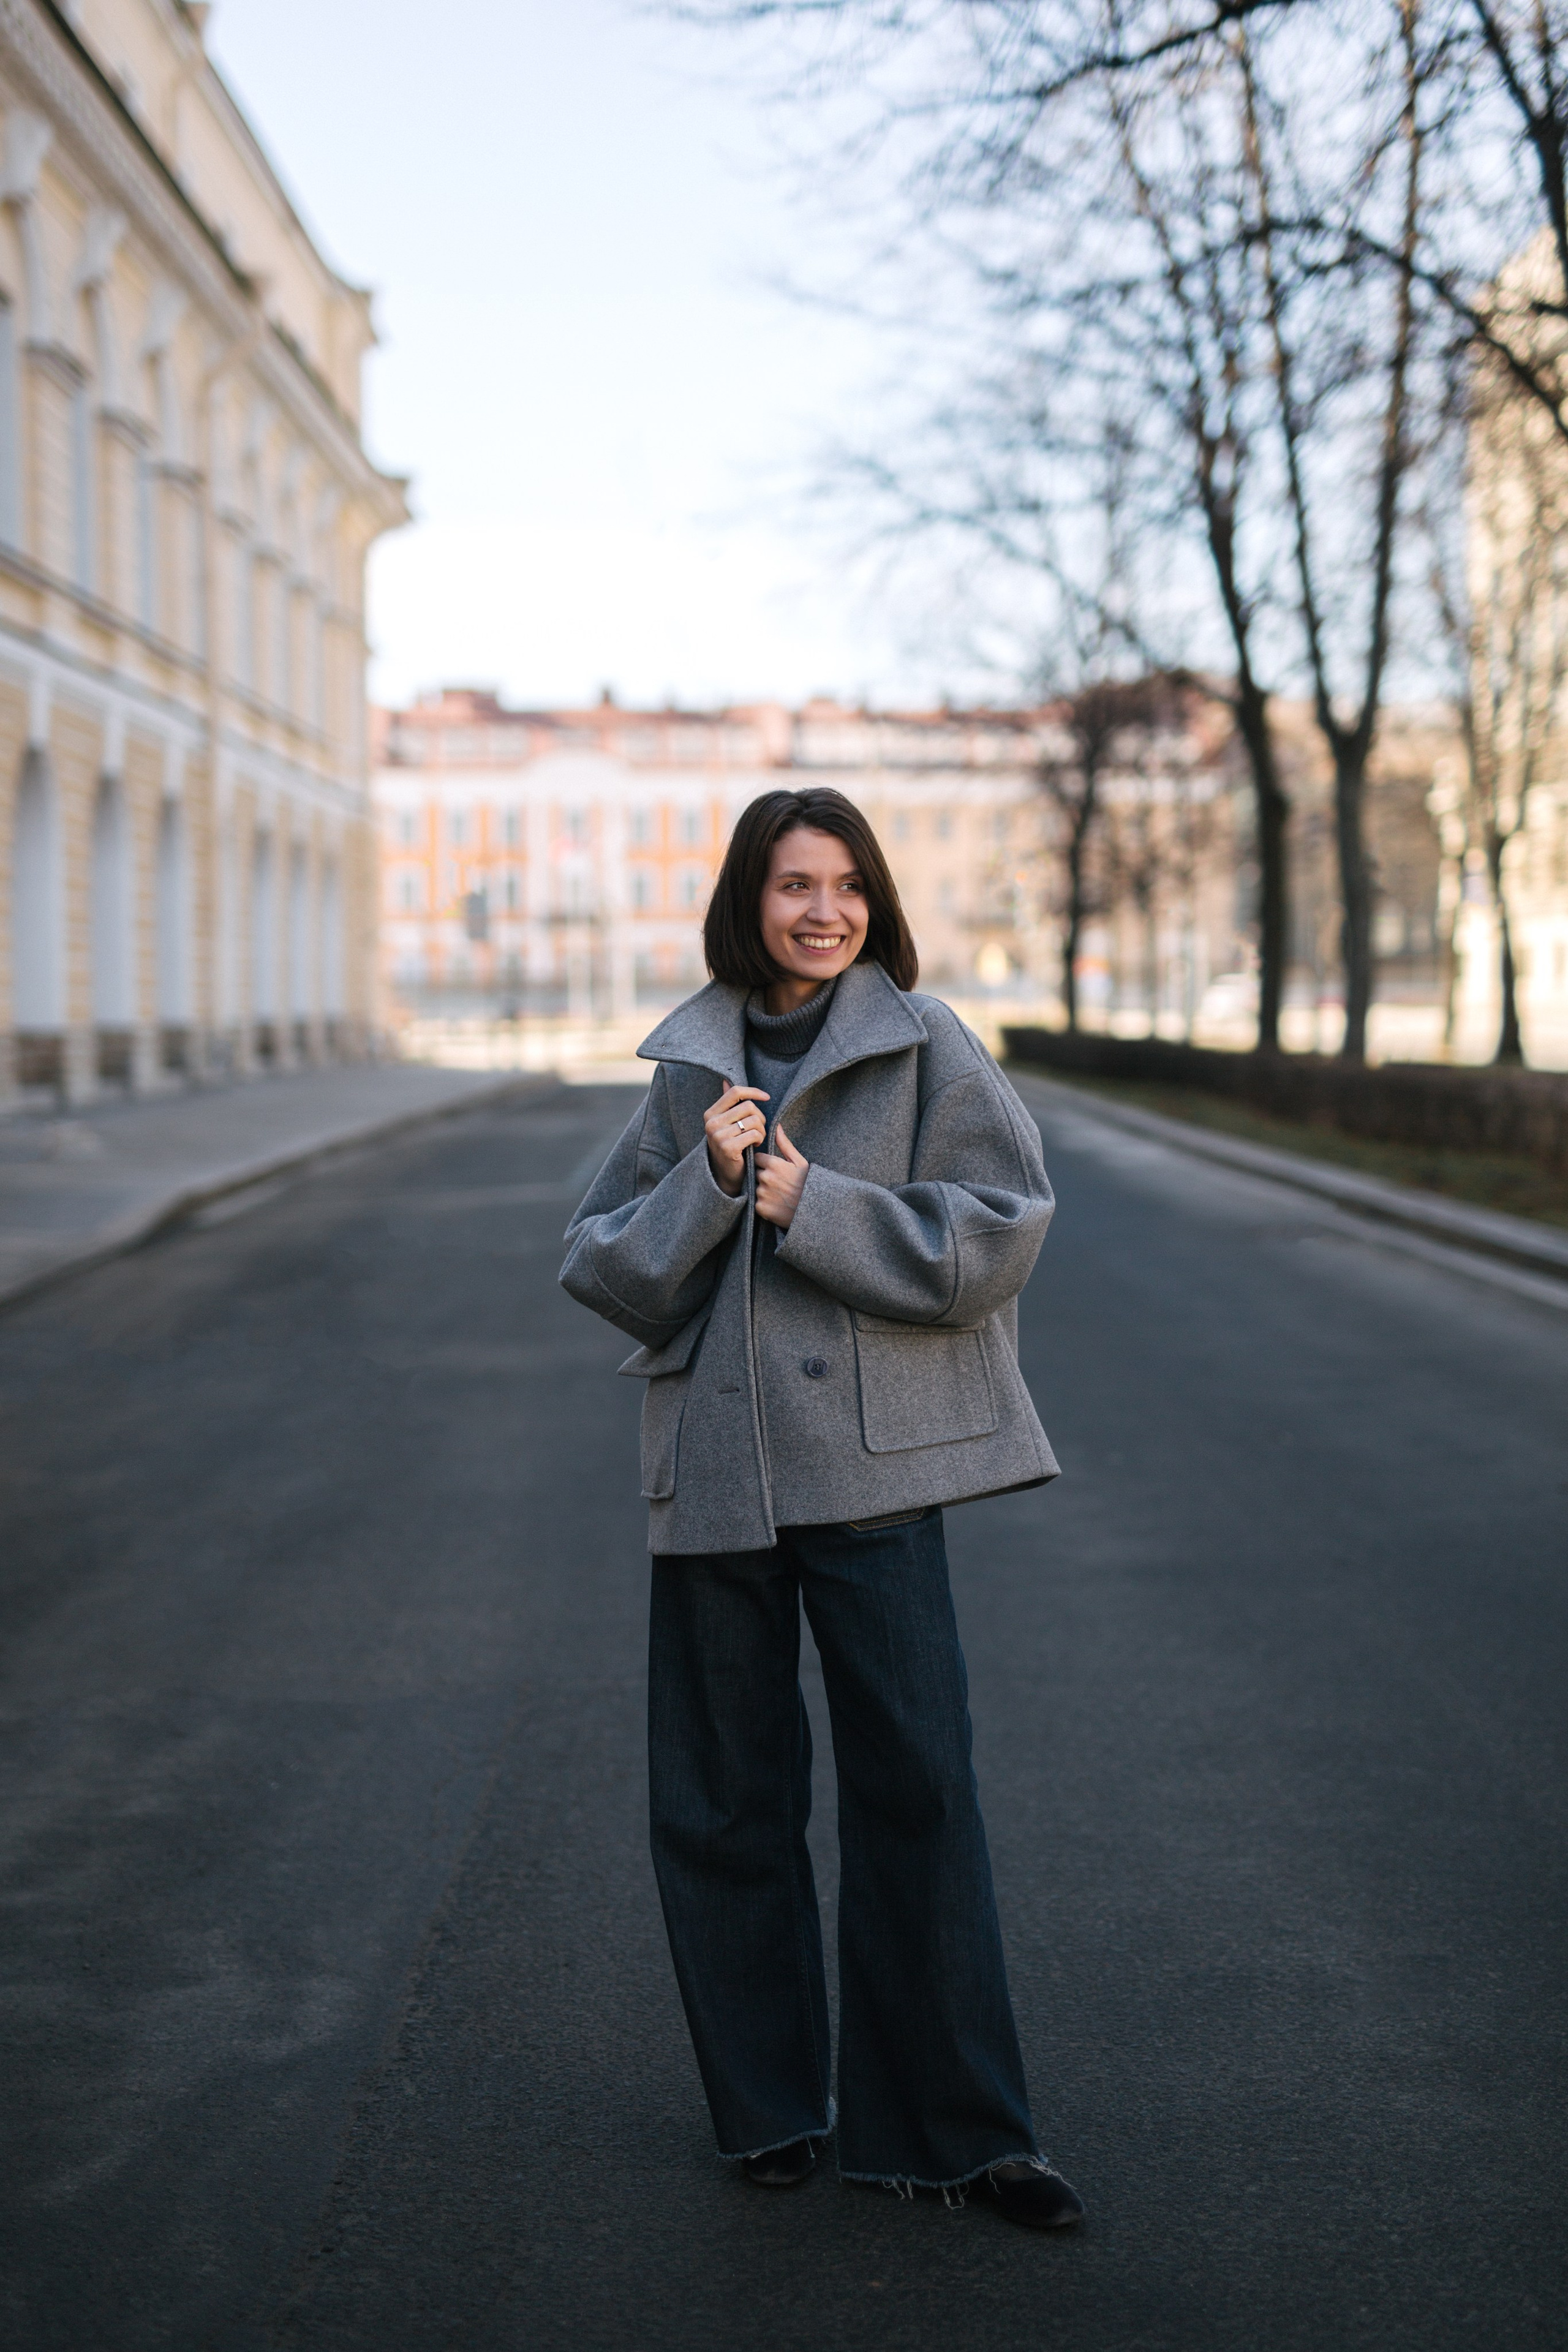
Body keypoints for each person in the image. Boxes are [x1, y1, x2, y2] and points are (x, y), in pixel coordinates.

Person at [560, 786, 1084, 2230]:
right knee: (726, 1802)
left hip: (872, 1470)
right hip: (718, 1471)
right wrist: (712, 1186)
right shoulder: (688, 1067)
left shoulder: (921, 1042)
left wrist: (808, 1202)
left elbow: (1002, 1229)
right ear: (750, 899)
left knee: (917, 1789)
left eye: (847, 884)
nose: (824, 910)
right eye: (795, 884)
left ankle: (964, 2131)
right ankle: (770, 2108)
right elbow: (601, 1264)